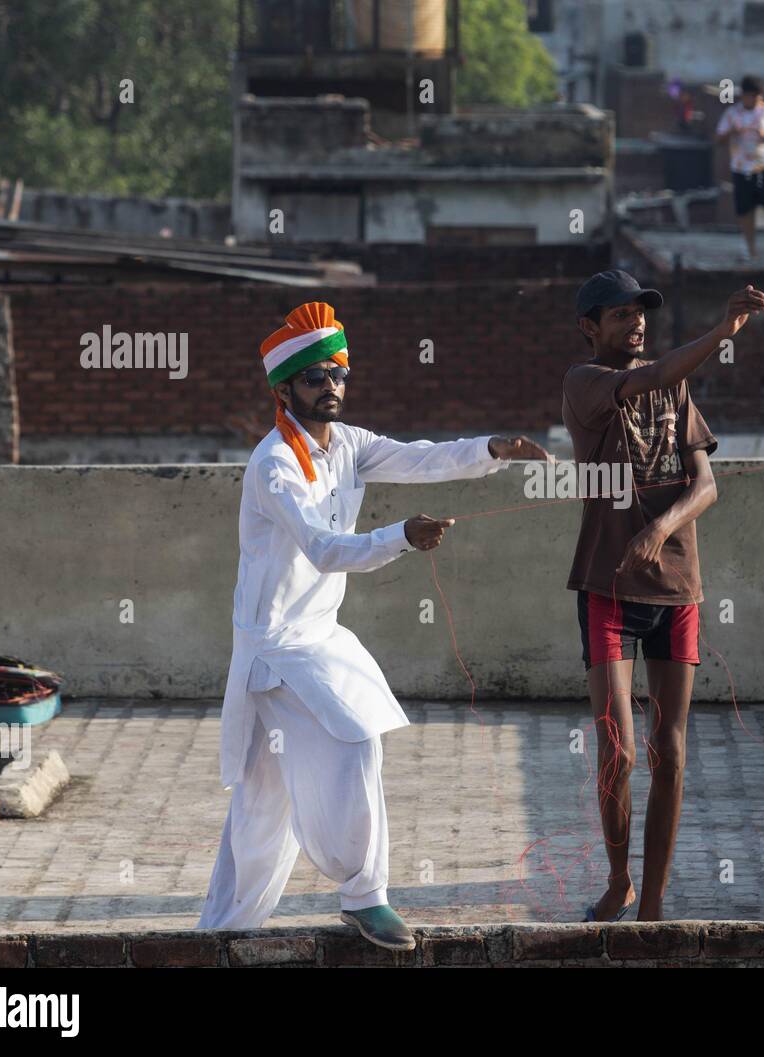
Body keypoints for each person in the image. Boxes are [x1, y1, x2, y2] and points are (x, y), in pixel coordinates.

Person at [197, 301, 549, 948]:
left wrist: (492, 448)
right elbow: (326, 549)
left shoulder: (349, 446)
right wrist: (403, 536)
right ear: (284, 389)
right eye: (315, 378)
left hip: (318, 639)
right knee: (354, 743)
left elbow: (419, 458)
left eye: (338, 373)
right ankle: (363, 896)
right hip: (276, 650)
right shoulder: (275, 465)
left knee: (258, 809)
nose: (330, 386)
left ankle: (217, 934)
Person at [561, 270, 764, 921]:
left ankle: (652, 902)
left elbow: (706, 485)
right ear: (591, 327)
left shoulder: (674, 386)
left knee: (669, 750)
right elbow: (644, 379)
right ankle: (620, 878)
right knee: (617, 746)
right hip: (608, 588)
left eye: (641, 312)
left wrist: (661, 525)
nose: (636, 323)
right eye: (620, 315)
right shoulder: (586, 383)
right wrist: (724, 331)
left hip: (677, 589)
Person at [715, 74, 764, 262]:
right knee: (746, 211)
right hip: (742, 168)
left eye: (758, 96)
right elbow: (719, 138)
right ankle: (751, 251)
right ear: (744, 95)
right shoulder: (732, 114)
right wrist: (733, 131)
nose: (756, 100)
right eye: (752, 96)